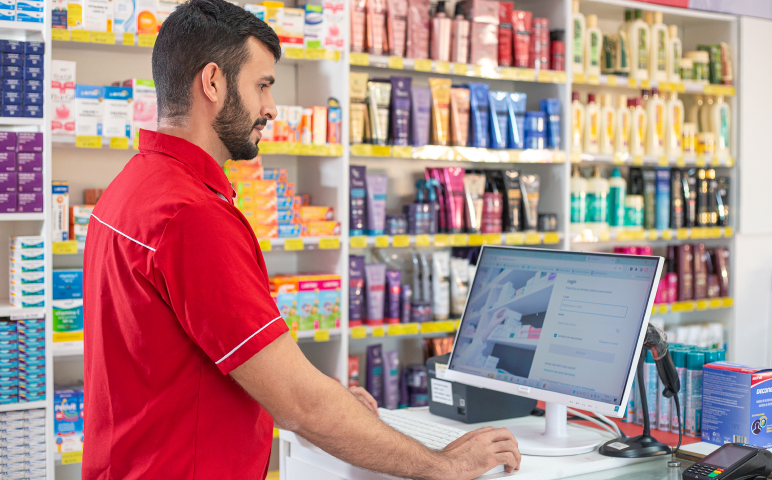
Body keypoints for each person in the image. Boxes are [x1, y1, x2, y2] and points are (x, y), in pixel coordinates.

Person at [82, 0, 521, 478]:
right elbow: (300, 406)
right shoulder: (193, 215)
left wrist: (330, 402)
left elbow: (194, 357)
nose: (270, 108)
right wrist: (443, 464)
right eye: (262, 85)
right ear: (212, 82)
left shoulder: (130, 187)